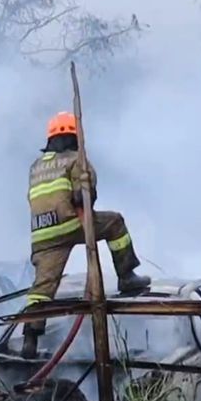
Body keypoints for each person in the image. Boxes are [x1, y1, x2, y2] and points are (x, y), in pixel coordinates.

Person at [21, 111, 150, 358]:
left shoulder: (36, 166)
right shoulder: (75, 160)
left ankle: (30, 339)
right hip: (71, 224)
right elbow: (83, 195)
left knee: (41, 289)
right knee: (115, 223)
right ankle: (126, 276)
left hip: (42, 235)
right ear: (74, 136)